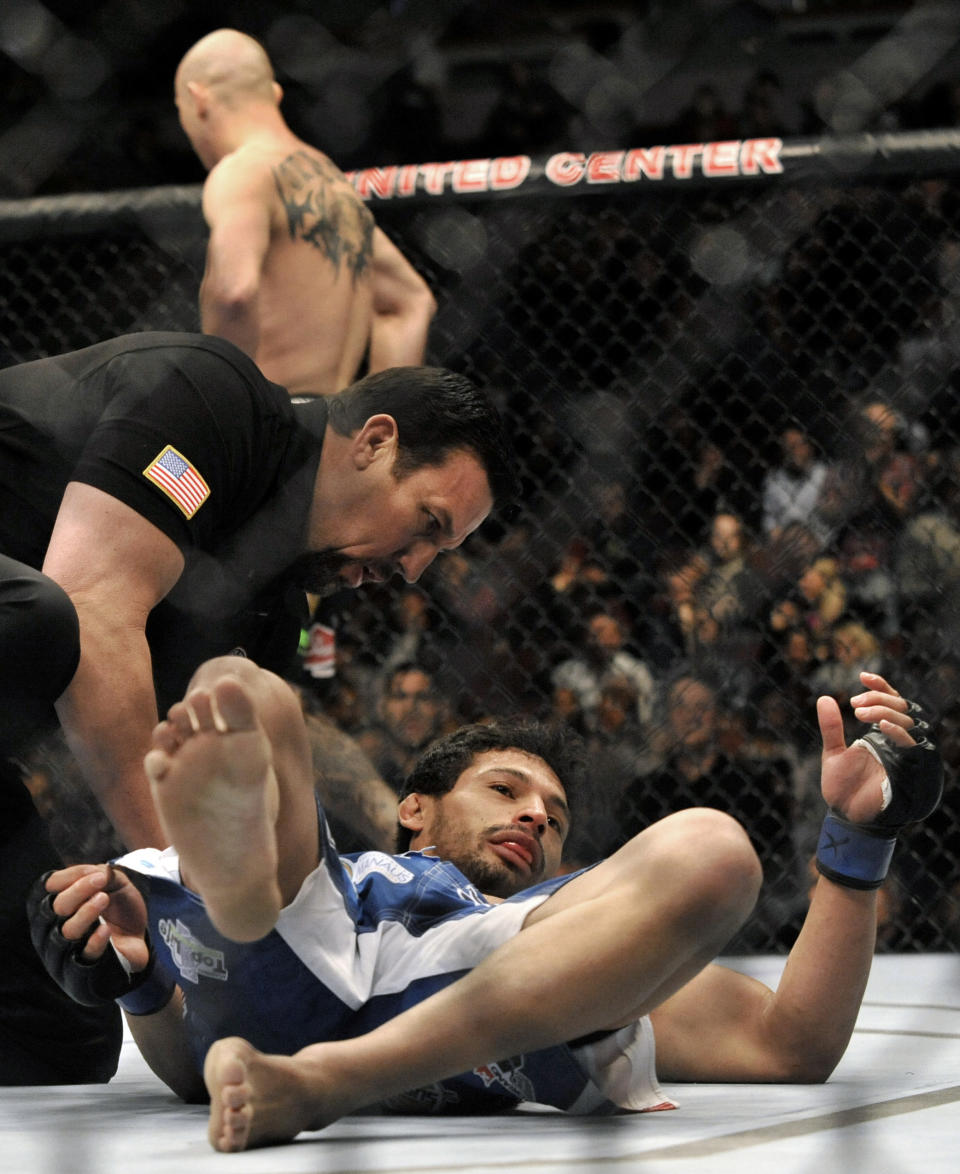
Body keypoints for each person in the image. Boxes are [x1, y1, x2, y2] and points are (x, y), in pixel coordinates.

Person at [32, 656, 941, 1152]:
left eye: (553, 817)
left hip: (480, 975)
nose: (534, 815)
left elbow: (796, 1046)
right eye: (504, 790)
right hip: (312, 923)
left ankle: (312, 1051)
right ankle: (236, 880)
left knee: (716, 850)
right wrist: (139, 987)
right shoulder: (376, 872)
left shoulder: (560, 934)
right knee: (246, 685)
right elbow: (193, 1068)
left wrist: (861, 838)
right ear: (414, 808)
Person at [0, 330, 514, 1083]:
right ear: (374, 442)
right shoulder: (211, 400)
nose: (413, 569)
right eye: (427, 525)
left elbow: (253, 792)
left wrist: (393, 867)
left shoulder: (276, 609)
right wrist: (177, 886)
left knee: (62, 1037)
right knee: (40, 617)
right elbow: (95, 613)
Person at [174, 28, 437, 398]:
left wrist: (224, 410)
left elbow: (233, 291)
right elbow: (409, 302)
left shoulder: (242, 171)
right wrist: (379, 423)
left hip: (269, 431)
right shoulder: (333, 183)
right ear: (275, 94)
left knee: (156, 458)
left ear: (196, 99)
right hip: (332, 432)